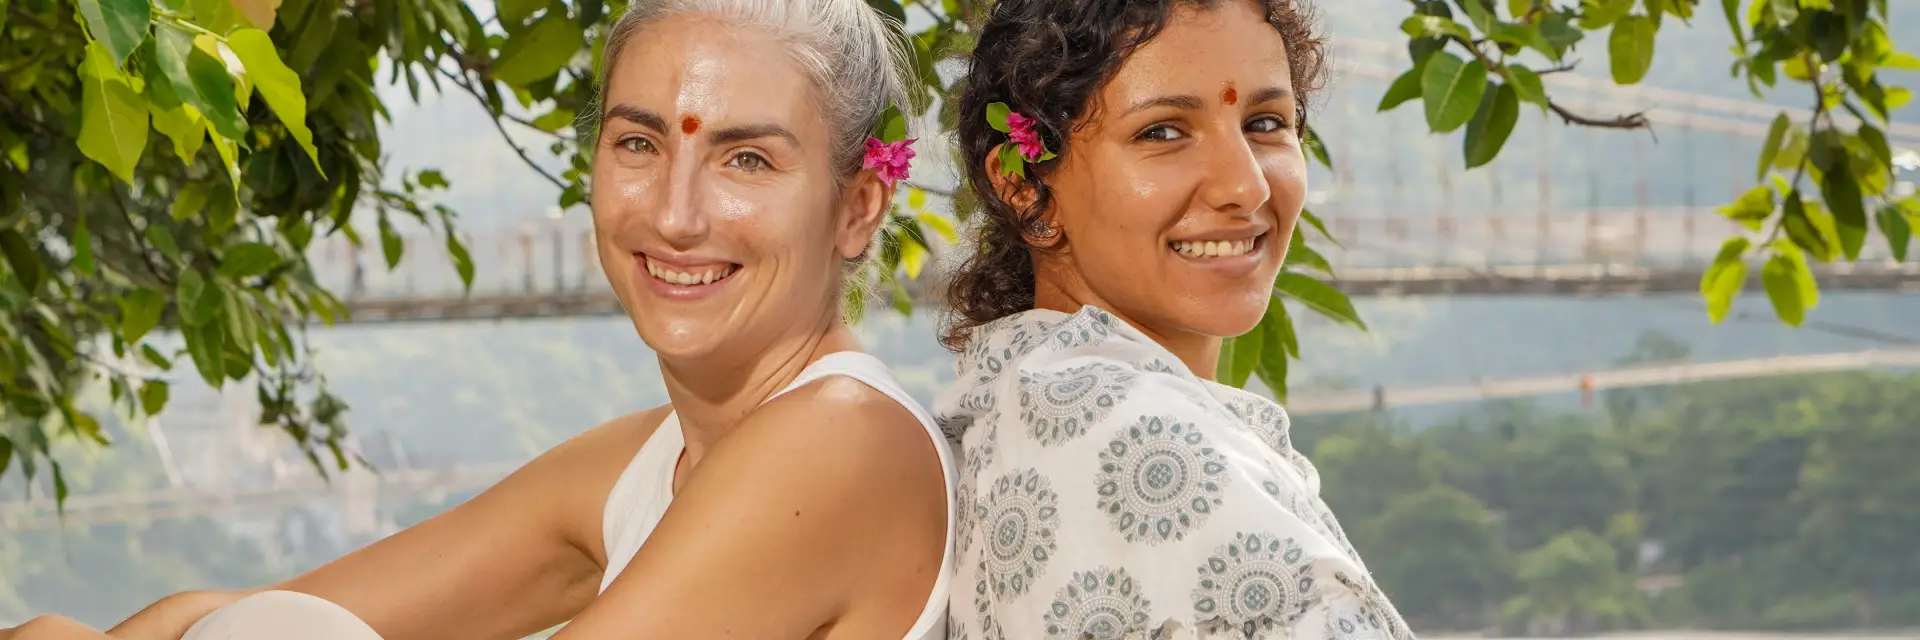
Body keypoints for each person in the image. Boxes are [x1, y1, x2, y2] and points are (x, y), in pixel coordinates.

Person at [3, 1, 955, 638]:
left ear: (857, 207)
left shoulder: (842, 442)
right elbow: (273, 611)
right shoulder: (644, 464)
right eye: (635, 142)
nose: (672, 213)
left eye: (747, 160)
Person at [934, 0, 1414, 638]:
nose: (1246, 186)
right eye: (1162, 132)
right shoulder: (1140, 439)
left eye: (1267, 122)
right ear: (1026, 191)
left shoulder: (1018, 408)